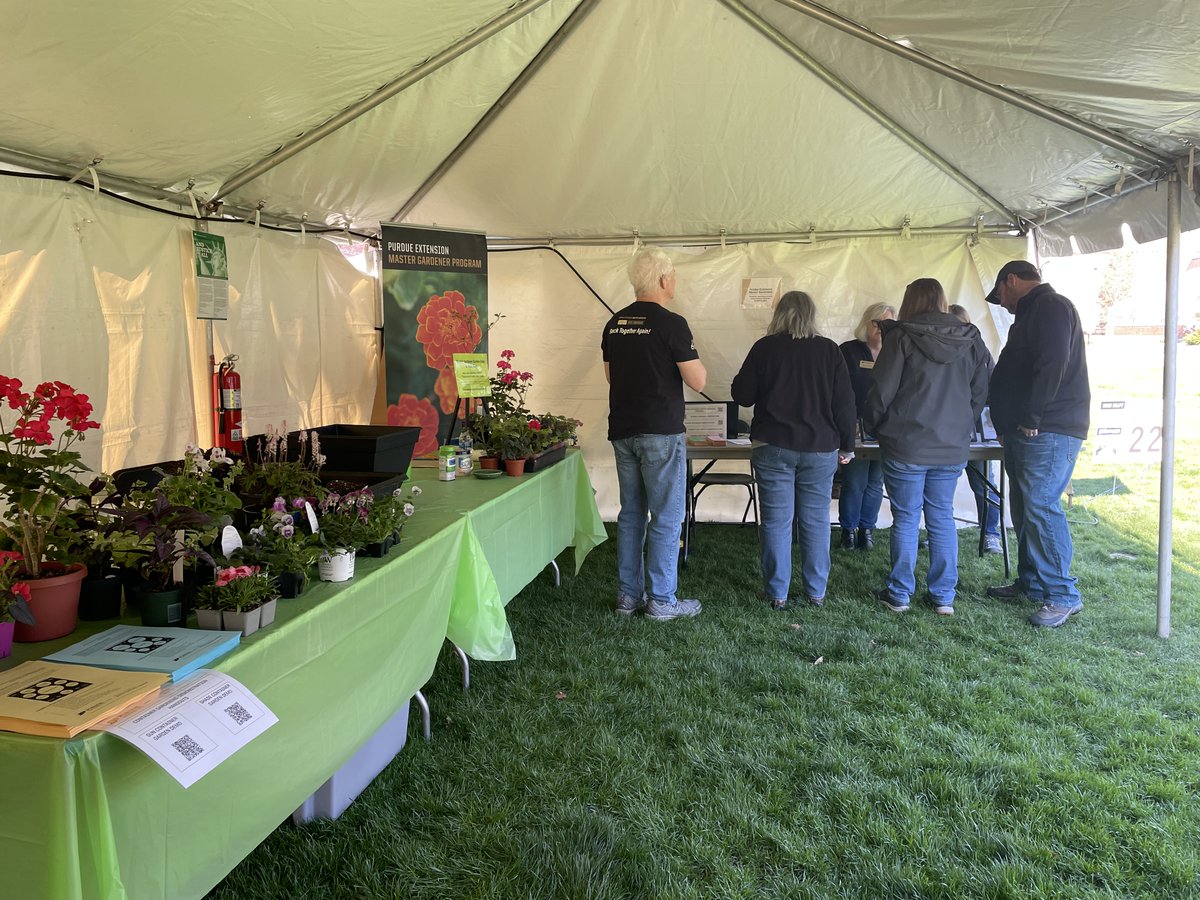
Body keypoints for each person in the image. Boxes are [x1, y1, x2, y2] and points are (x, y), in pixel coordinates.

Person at [864, 278, 990, 615]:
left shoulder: (901, 336)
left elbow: (881, 389)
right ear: (942, 301)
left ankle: (900, 594)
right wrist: (965, 421)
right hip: (951, 445)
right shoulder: (971, 336)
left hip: (906, 444)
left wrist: (872, 426)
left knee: (905, 518)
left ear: (910, 301)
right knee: (941, 517)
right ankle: (943, 597)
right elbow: (981, 389)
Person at [732, 291, 856, 610]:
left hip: (773, 446)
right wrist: (848, 445)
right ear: (811, 315)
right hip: (820, 448)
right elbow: (844, 403)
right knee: (815, 520)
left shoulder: (764, 348)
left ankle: (777, 594)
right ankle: (816, 593)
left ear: (780, 314)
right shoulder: (829, 350)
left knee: (776, 521)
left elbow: (742, 396)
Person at [601, 247, 707, 621]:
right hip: (661, 432)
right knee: (666, 515)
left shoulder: (614, 323)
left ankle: (629, 596)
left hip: (623, 430)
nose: (675, 281)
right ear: (663, 279)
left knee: (631, 513)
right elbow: (698, 379)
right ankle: (662, 599)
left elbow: (612, 376)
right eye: (674, 275)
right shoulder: (672, 323)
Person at [984, 260, 1090, 627]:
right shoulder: (1032, 313)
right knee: (1026, 505)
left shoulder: (1051, 306)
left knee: (1041, 506)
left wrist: (1031, 416)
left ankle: (1062, 594)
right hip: (1026, 429)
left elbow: (1054, 363)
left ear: (1010, 280)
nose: (1002, 303)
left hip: (1048, 428)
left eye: (1000, 295)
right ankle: (1031, 581)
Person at [837, 302, 896, 551]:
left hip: (887, 428)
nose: (882, 328)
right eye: (877, 322)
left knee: (875, 482)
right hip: (856, 427)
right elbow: (840, 391)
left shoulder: (897, 352)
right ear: (866, 323)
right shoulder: (848, 351)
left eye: (888, 323)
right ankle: (848, 531)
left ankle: (866, 529)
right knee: (855, 481)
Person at [948, 304, 1003, 554]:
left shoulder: (979, 351)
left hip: (974, 429)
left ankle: (990, 533)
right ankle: (942, 533)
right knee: (943, 486)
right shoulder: (940, 351)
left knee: (983, 485)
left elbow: (992, 386)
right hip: (946, 429)